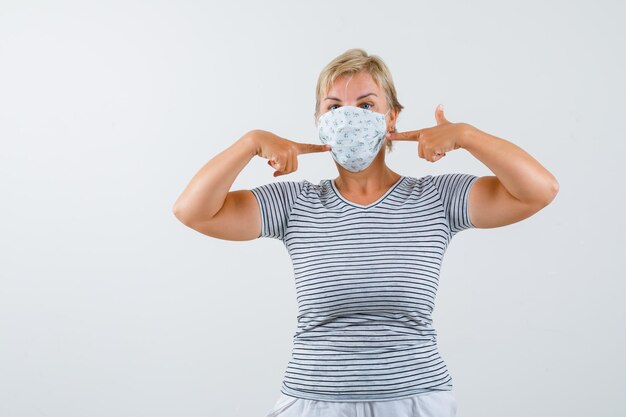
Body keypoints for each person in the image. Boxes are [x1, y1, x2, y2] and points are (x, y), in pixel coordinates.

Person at [172, 48, 559, 417]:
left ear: (392, 118)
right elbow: (193, 211)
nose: (349, 116)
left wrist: (467, 135)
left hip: (414, 401)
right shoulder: (294, 203)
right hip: (313, 402)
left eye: (366, 104)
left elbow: (539, 191)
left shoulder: (436, 198)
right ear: (320, 122)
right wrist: (250, 142)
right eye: (334, 107)